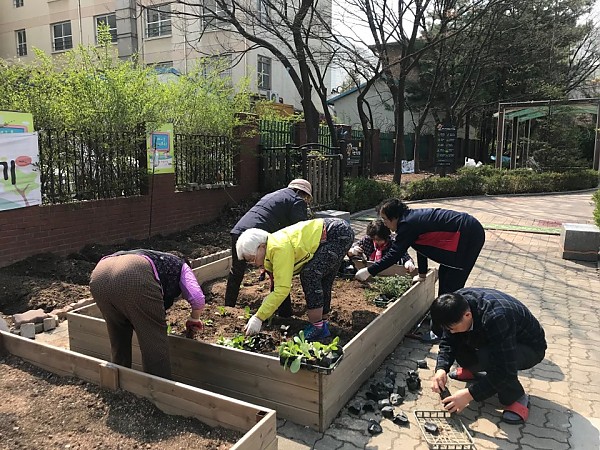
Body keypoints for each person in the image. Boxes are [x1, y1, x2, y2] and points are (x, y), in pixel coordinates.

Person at [354, 198, 485, 339]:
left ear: (395, 217)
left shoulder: (407, 224)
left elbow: (394, 254)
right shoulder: (410, 221)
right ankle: (441, 320)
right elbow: (422, 247)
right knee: (445, 274)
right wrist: (422, 274)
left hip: (468, 236)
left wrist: (369, 271)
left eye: (385, 219)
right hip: (462, 234)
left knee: (451, 285)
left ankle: (444, 331)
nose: (385, 224)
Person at [430, 288, 546, 425]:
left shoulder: (497, 317)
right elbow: (448, 341)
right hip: (496, 335)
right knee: (455, 336)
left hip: (528, 347)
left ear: (467, 315)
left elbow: (505, 370)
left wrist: (469, 395)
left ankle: (516, 397)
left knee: (489, 357)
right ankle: (473, 369)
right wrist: (441, 368)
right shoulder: (456, 304)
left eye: (452, 327)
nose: (450, 331)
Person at [89, 249, 205, 379]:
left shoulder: (151, 257)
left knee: (119, 334)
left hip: (99, 275)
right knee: (153, 340)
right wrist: (194, 318)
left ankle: (117, 381)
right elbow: (197, 298)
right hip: (134, 276)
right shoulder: (181, 265)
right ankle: (158, 388)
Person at [237, 218, 354, 341]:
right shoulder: (272, 247)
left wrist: (259, 317)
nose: (253, 263)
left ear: (261, 247)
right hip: (337, 232)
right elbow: (277, 282)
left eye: (252, 258)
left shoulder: (278, 248)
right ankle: (322, 324)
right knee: (322, 278)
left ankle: (317, 327)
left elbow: (282, 289)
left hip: (336, 234)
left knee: (310, 274)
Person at [225, 179, 313, 318]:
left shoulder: (275, 195)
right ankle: (284, 314)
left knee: (236, 271)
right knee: (279, 274)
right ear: (301, 192)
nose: (305, 200)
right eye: (306, 197)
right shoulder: (297, 201)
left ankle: (228, 307)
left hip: (239, 231)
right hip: (259, 236)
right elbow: (301, 229)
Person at [348, 218, 416, 271]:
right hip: (370, 268)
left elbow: (405, 256)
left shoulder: (394, 242)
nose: (376, 242)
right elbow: (349, 252)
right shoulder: (367, 240)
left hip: (390, 270)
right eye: (374, 239)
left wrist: (408, 262)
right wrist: (352, 251)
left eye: (379, 239)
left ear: (386, 236)